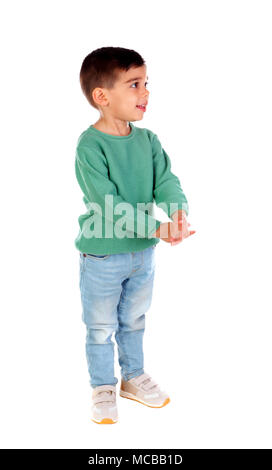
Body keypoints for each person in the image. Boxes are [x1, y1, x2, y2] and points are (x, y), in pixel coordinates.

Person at [74, 47, 196, 424]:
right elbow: (108, 204)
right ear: (102, 96)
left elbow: (167, 181)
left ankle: (132, 377)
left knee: (135, 319)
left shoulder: (148, 141)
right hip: (103, 256)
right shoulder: (90, 146)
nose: (145, 92)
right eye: (134, 84)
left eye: (146, 84)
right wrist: (156, 227)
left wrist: (176, 213)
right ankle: (102, 386)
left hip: (143, 253)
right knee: (100, 326)